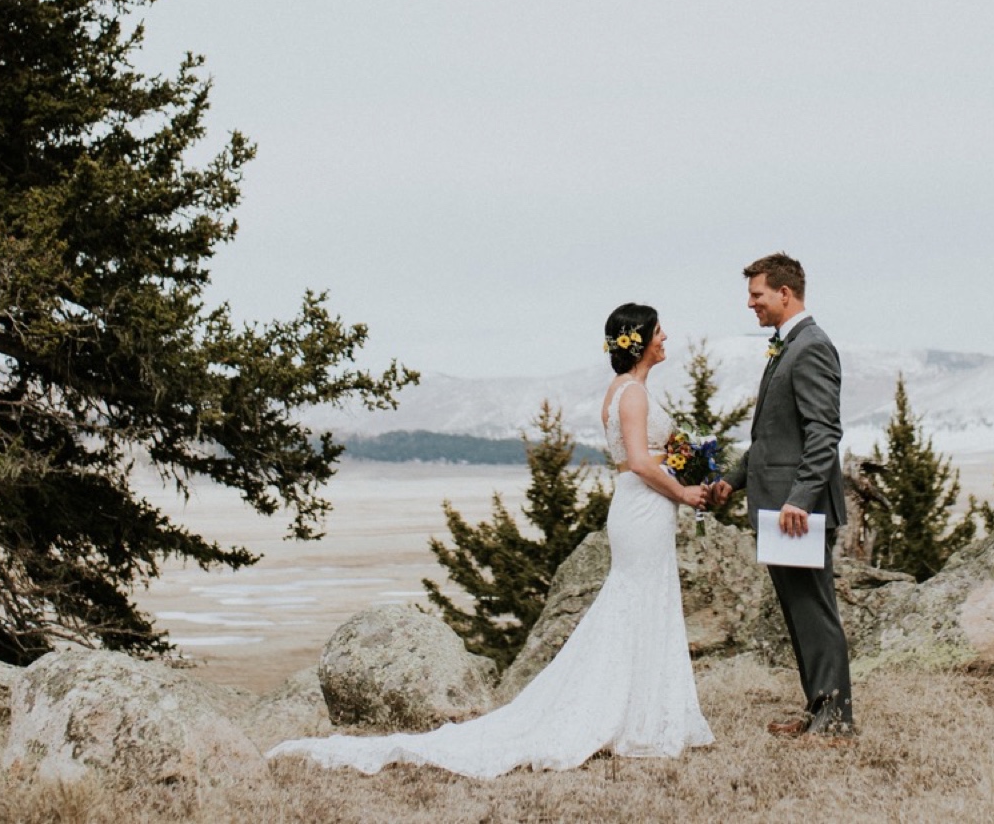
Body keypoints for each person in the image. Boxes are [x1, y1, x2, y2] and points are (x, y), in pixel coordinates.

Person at [267, 303, 714, 777]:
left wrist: (683, 461)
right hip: (641, 507)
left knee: (643, 600)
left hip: (638, 508)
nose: (666, 338)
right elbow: (642, 463)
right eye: (659, 331)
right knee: (637, 600)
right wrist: (684, 490)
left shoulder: (622, 391)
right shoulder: (633, 396)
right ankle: (630, 716)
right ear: (639, 340)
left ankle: (640, 710)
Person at [709, 252, 855, 741]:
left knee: (815, 611)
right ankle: (819, 710)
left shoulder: (811, 347)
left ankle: (835, 719)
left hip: (799, 511)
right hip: (781, 508)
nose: (750, 304)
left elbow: (823, 432)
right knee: (799, 614)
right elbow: (772, 438)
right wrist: (733, 477)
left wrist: (800, 498)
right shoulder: (786, 346)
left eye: (757, 294)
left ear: (784, 293)